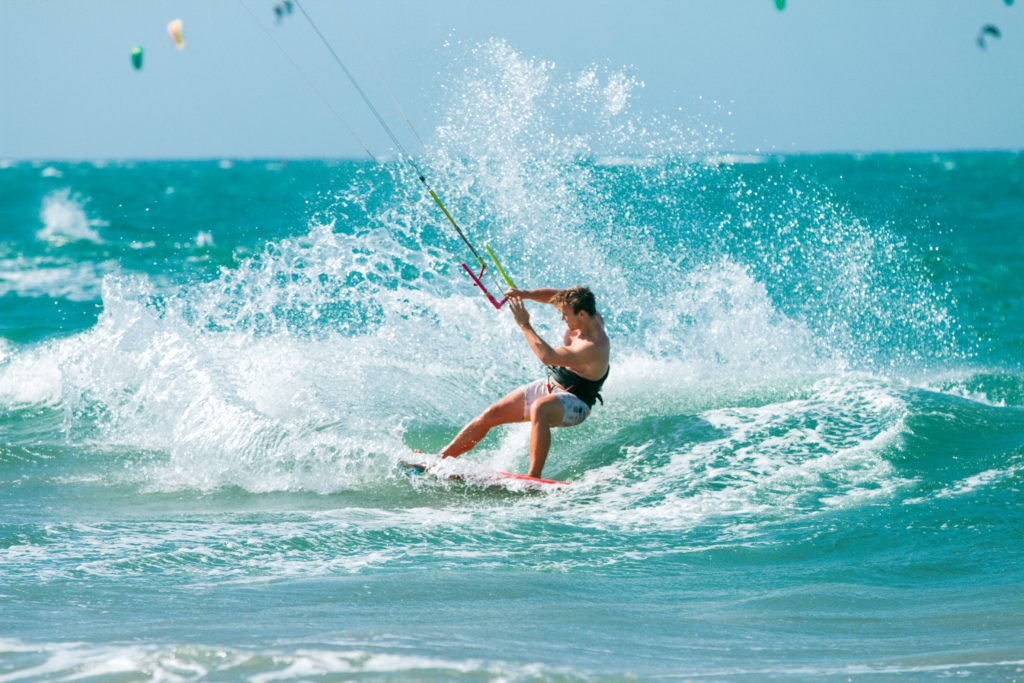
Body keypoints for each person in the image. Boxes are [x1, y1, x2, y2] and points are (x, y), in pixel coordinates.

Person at [440, 285, 610, 477]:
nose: (562, 317)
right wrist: (524, 294)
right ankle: (443, 458)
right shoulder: (582, 315)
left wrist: (525, 324)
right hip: (553, 385)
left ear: (581, 315)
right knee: (492, 414)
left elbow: (548, 356)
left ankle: (534, 476)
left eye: (565, 314)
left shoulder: (593, 346)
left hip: (577, 402)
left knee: (540, 408)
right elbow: (554, 297)